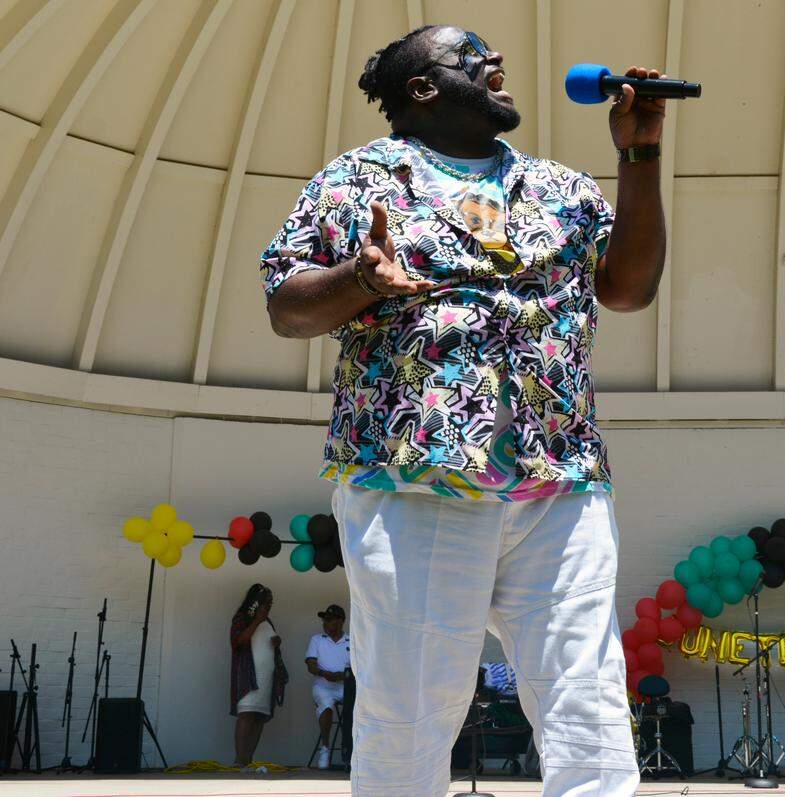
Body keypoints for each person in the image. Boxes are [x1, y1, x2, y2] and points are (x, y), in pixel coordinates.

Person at [261, 24, 666, 797]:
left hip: (561, 478)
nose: (498, 63)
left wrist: (638, 156)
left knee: (589, 707)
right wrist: (361, 278)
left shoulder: (562, 188)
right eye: (473, 57)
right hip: (416, 481)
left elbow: (628, 287)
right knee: (412, 707)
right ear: (422, 87)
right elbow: (287, 308)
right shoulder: (357, 181)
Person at [229, 584, 288, 769]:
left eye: (271, 602)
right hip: (248, 677)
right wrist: (256, 621)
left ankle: (248, 759)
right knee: (246, 714)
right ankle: (239, 760)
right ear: (256, 602)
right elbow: (238, 641)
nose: (269, 605)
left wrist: (277, 642)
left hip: (266, 677)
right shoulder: (242, 618)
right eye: (266, 602)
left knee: (259, 717)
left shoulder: (268, 621)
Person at [305, 604, 351, 769]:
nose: (325, 623)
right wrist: (326, 674)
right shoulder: (317, 639)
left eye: (330, 620)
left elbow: (360, 668)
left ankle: (352, 751)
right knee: (326, 708)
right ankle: (325, 748)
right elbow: (311, 665)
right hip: (323, 686)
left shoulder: (351, 641)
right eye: (325, 620)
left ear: (341, 621)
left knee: (355, 709)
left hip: (345, 686)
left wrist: (343, 675)